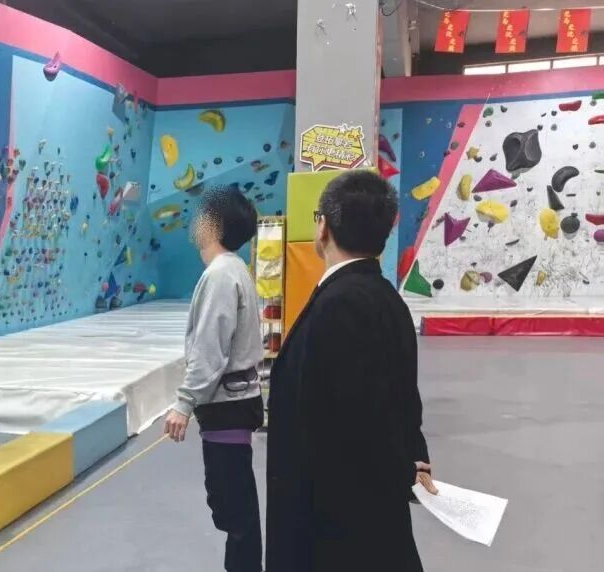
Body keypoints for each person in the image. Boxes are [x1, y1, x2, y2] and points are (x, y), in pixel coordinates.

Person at [265, 170, 437, 572]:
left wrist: (401, 466)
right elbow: (401, 399)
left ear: (323, 226)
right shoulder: (386, 299)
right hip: (370, 518)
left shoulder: (339, 305)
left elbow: (353, 420)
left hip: (334, 530)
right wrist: (411, 456)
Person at [164, 188, 264, 572]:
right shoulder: (233, 269)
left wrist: (184, 403)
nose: (195, 223)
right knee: (231, 502)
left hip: (227, 405)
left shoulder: (221, 274)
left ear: (215, 225)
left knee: (233, 506)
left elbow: (210, 347)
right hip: (233, 402)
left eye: (202, 215)